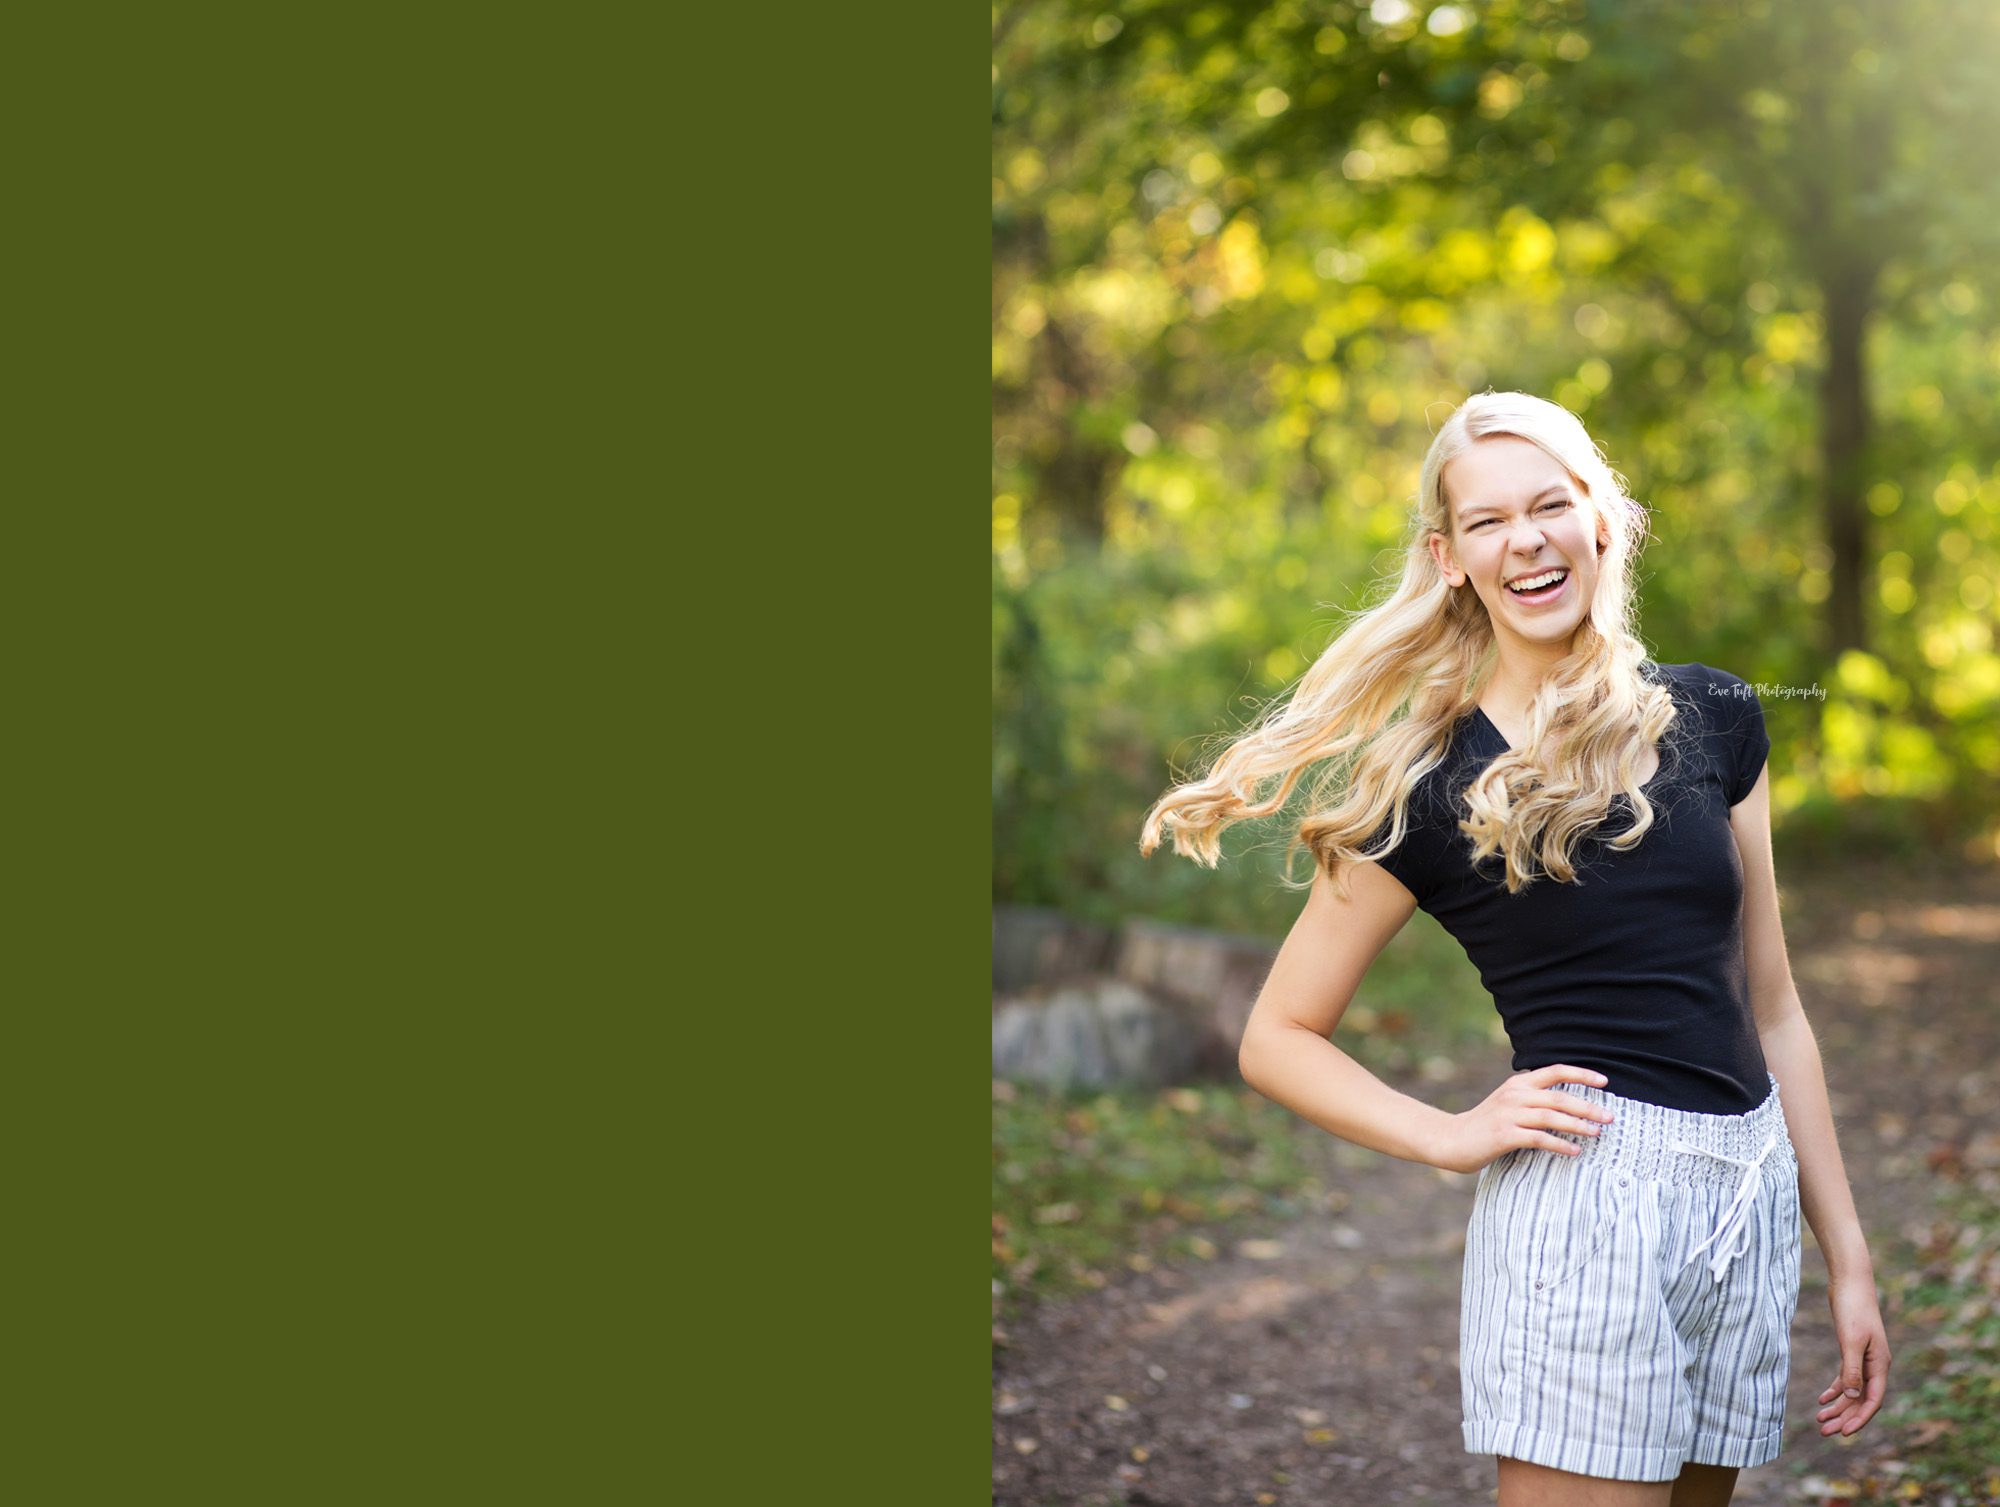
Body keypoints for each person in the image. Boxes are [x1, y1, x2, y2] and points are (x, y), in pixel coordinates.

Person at [1137, 392, 1888, 1506]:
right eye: (1486, 522)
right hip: (1585, 1211)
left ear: (1602, 523)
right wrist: (1447, 1136)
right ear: (1448, 559)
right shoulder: (1423, 783)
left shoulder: (1716, 716)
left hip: (1745, 1197)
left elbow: (1771, 1009)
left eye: (1549, 505)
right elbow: (1276, 1035)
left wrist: (1847, 1259)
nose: (1523, 539)